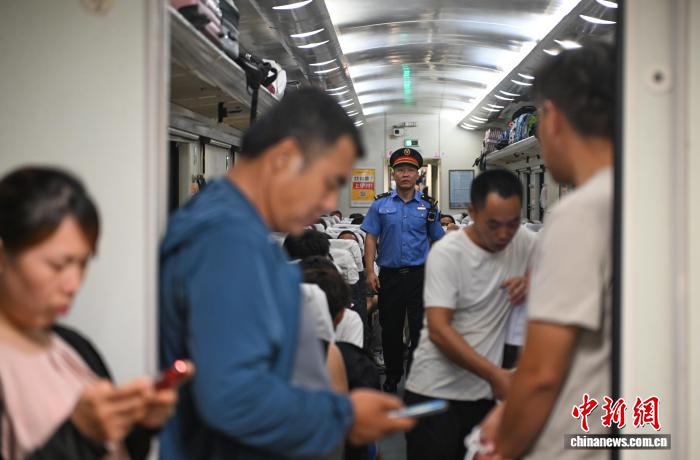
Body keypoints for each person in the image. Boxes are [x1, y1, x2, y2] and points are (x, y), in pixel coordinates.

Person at [159, 88, 414, 460]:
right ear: (284, 158)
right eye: (329, 182)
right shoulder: (229, 240)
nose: (329, 203)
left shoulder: (223, 221)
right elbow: (233, 397)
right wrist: (343, 416)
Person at [474, 42, 615, 459]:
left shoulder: (578, 213)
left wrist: (502, 448)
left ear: (551, 118)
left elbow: (541, 375)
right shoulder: (641, 199)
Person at [0, 167, 187, 460]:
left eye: (83, 264)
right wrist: (81, 434)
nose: (74, 284)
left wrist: (139, 424)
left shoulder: (73, 347)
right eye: (58, 265)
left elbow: (114, 449)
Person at [403, 169, 536, 460]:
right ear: (472, 211)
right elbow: (439, 330)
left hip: (485, 395)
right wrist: (496, 375)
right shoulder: (449, 253)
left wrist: (532, 281)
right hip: (435, 390)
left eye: (513, 223)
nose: (504, 234)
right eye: (493, 224)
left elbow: (561, 275)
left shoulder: (524, 241)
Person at [361, 147, 445, 393]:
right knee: (391, 329)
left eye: (410, 170)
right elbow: (370, 238)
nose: (405, 174)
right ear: (393, 174)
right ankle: (392, 376)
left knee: (420, 330)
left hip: (420, 276)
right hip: (390, 277)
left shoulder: (429, 207)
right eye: (400, 170)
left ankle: (417, 378)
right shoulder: (380, 205)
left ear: (418, 174)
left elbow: (438, 240)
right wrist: (369, 271)